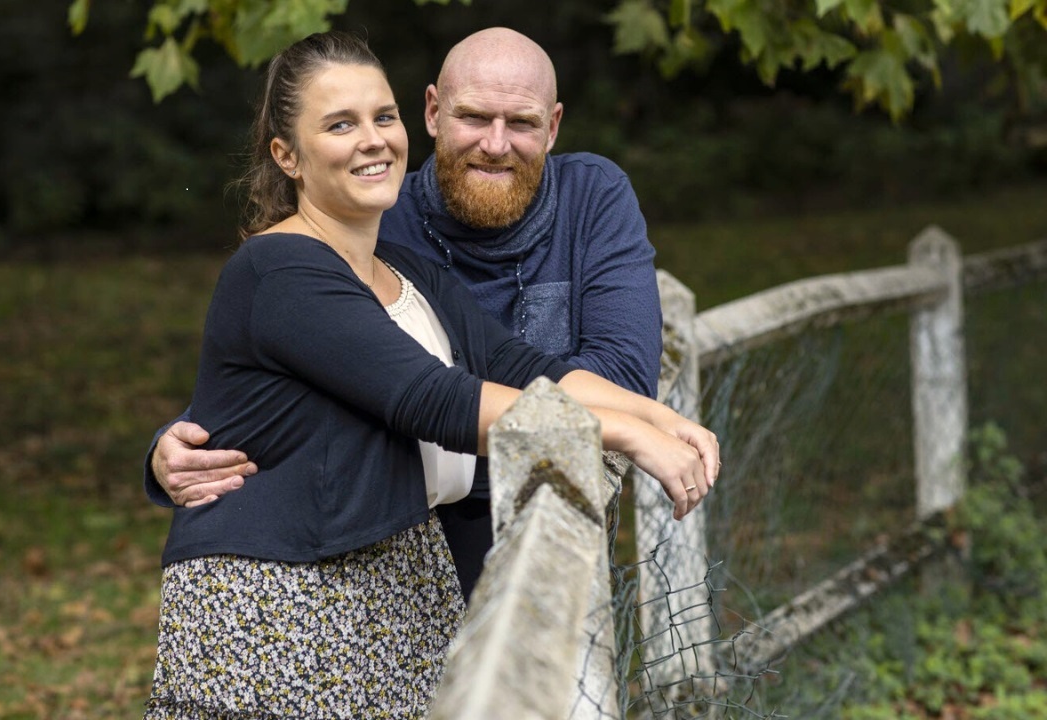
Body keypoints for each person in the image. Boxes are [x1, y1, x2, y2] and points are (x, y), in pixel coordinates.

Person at [143, 29, 715, 719]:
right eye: (340, 124)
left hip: (391, 598)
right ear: (287, 155)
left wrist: (664, 419)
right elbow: (427, 397)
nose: (372, 139)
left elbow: (521, 366)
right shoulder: (280, 268)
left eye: (381, 118)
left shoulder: (403, 267)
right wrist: (626, 436)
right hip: (283, 608)